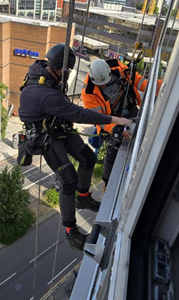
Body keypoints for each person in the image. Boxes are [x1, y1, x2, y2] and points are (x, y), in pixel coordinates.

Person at [19, 44, 131, 251]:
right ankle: (71, 232)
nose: (66, 75)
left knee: (88, 158)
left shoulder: (44, 72)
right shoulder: (44, 92)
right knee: (68, 179)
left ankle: (83, 198)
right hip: (46, 136)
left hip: (56, 125)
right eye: (66, 71)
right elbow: (80, 115)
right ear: (58, 68)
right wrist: (116, 121)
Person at [82, 59, 162, 193]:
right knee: (113, 148)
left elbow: (139, 81)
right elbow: (98, 118)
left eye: (106, 83)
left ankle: (145, 163)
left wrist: (160, 86)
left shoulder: (119, 69)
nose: (104, 86)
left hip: (127, 106)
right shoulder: (89, 92)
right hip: (109, 118)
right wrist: (115, 128)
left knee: (140, 130)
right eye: (101, 85)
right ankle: (107, 182)